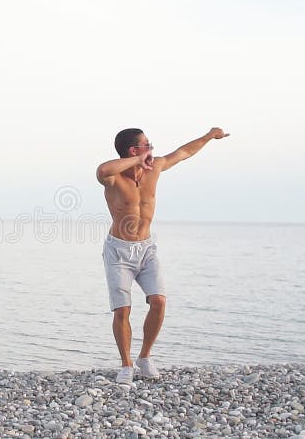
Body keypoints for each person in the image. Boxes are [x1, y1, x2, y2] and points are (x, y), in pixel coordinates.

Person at [96, 127, 231, 383]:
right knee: (122, 310)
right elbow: (102, 170)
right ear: (134, 151)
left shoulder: (155, 168)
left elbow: (183, 153)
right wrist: (137, 161)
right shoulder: (114, 178)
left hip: (146, 248)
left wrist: (209, 136)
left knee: (158, 301)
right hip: (118, 251)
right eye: (147, 145)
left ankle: (144, 357)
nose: (152, 148)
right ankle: (126, 365)